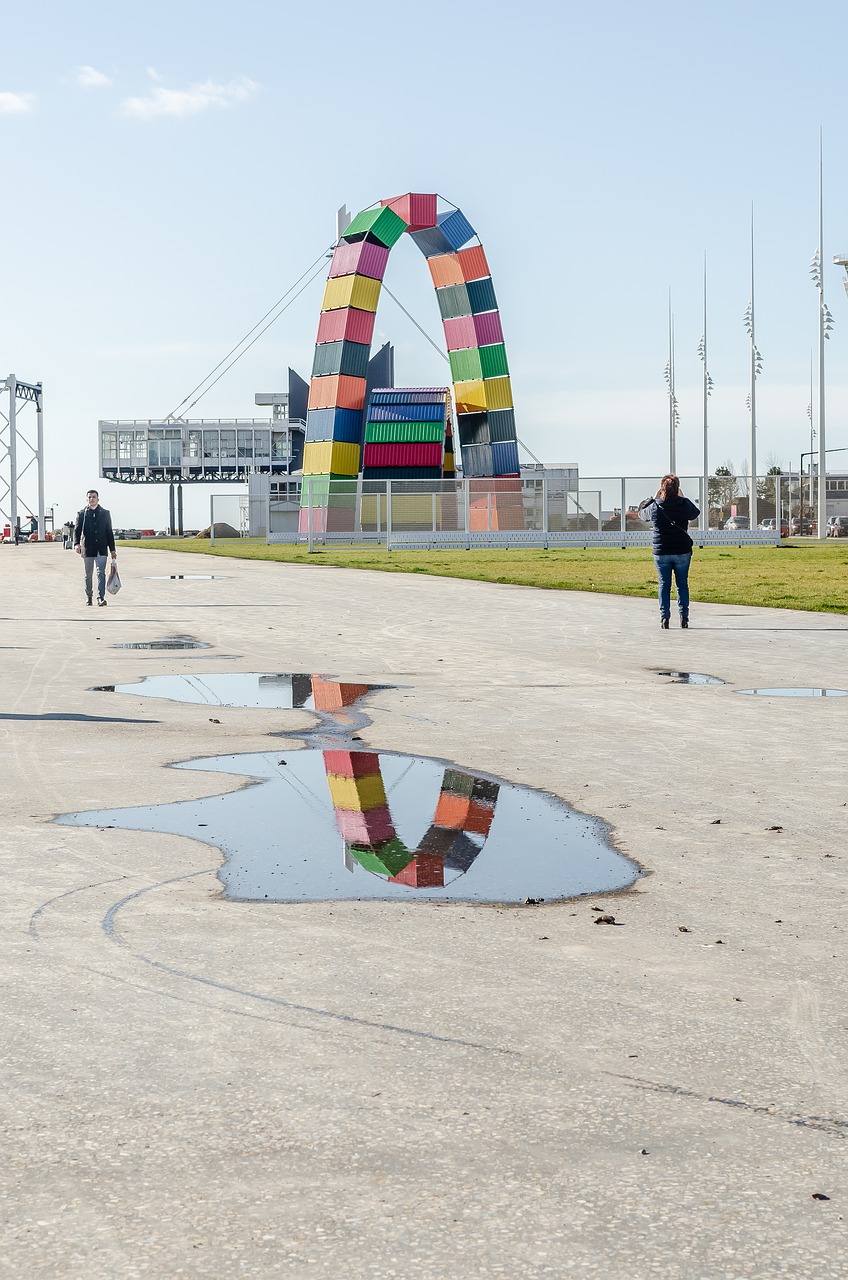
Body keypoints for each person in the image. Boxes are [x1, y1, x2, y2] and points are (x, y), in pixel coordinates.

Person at [638, 475, 700, 629]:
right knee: (682, 584)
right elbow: (695, 513)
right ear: (678, 488)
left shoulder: (655, 506)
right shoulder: (684, 504)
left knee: (664, 584)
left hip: (662, 551)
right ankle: (684, 617)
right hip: (682, 550)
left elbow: (641, 514)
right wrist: (683, 497)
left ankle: (664, 617)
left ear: (661, 490)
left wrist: (653, 498)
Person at [74, 489, 117, 607]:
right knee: (88, 574)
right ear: (86, 499)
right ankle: (89, 597)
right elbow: (77, 530)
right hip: (87, 548)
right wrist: (76, 543)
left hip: (101, 548)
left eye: (94, 497)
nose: (91, 499)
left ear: (98, 499)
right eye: (89, 497)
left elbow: (109, 532)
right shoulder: (82, 513)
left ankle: (100, 597)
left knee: (100, 573)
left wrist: (112, 549)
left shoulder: (105, 513)